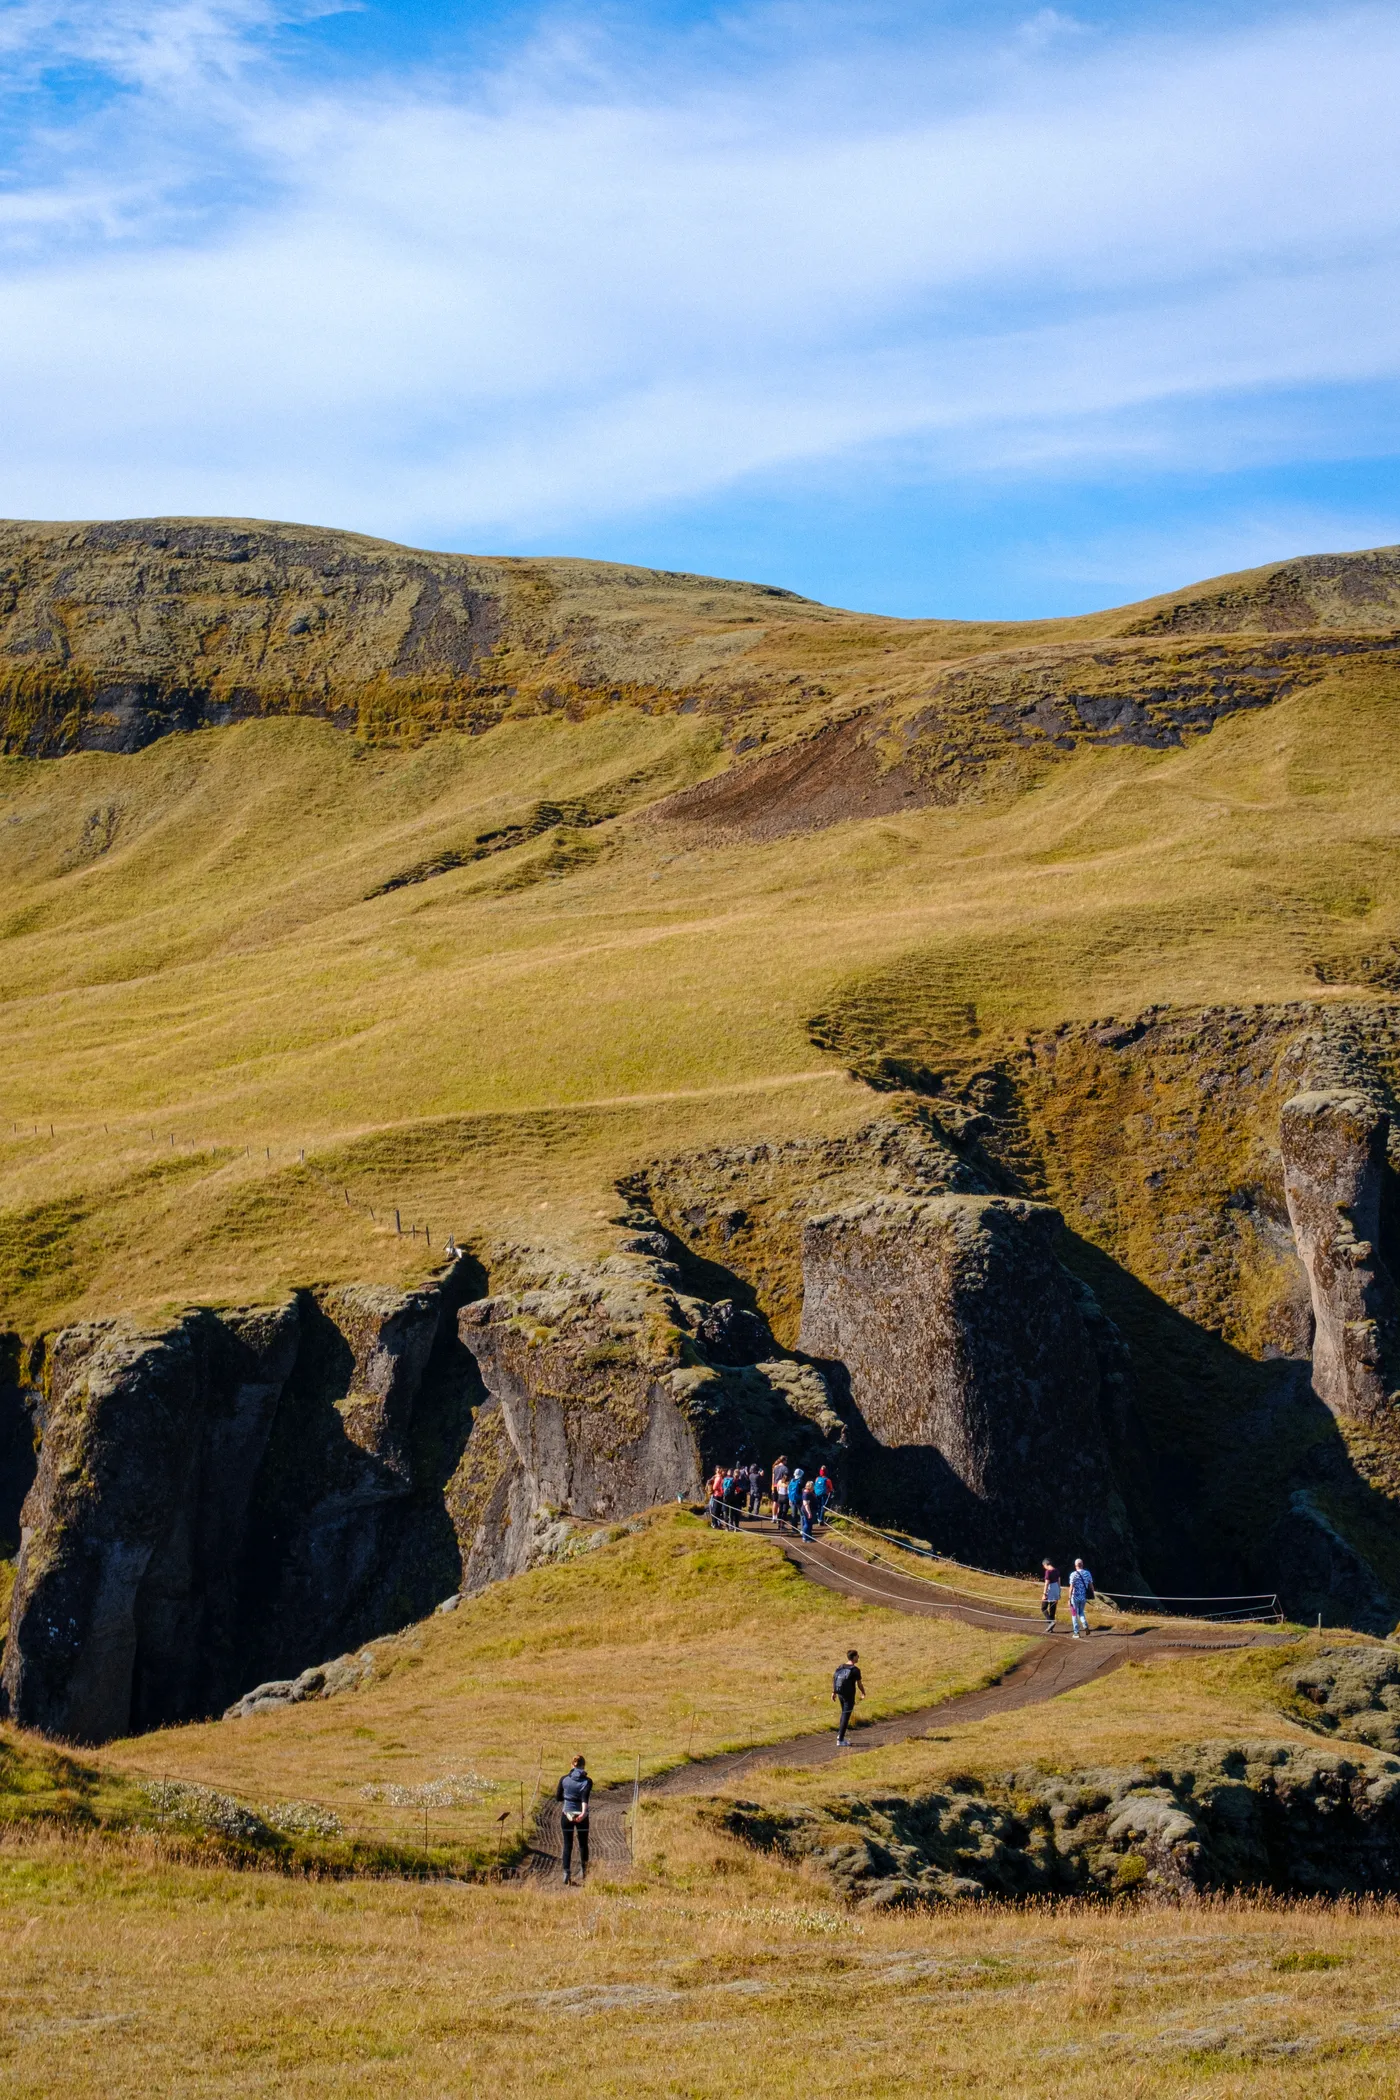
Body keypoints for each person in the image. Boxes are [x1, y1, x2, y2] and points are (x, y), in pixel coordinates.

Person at [556, 1755, 592, 1884]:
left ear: (572, 1765)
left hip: (567, 1814)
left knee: (567, 1844)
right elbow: (585, 1798)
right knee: (583, 1844)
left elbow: (558, 1797)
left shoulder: (564, 1779)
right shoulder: (587, 1781)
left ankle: (566, 1872)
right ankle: (585, 1871)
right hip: (581, 1815)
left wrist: (568, 1797)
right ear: (583, 1766)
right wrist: (583, 1813)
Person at [832, 1649, 865, 1746]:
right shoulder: (855, 1670)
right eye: (857, 1656)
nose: (858, 1657)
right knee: (846, 1716)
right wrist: (863, 1692)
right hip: (849, 1696)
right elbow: (859, 1684)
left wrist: (834, 1692)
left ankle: (840, 1735)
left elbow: (835, 1678)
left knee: (843, 1714)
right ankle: (840, 1740)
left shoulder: (840, 1667)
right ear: (854, 1657)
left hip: (840, 1694)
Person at [1068, 1558, 1094, 1639]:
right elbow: (1091, 1585)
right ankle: (1085, 1625)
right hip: (1083, 1597)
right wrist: (1092, 1594)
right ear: (1082, 1565)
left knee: (1074, 1614)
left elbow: (1071, 1587)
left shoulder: (1073, 1574)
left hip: (1074, 1597)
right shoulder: (1087, 1573)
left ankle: (1076, 1632)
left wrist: (1069, 1598)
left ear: (1075, 1566)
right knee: (1081, 1612)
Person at [1040, 1561, 1062, 1631]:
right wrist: (1059, 1592)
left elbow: (1046, 1583)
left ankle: (1051, 1622)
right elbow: (1059, 1581)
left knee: (1043, 1608)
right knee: (1052, 1609)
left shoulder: (1048, 1572)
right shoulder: (1056, 1570)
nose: (1044, 1567)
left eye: (1044, 1566)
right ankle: (1051, 1629)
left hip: (1050, 1590)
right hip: (1056, 1589)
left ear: (1045, 1564)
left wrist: (1044, 1594)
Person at [771, 1456, 790, 1528]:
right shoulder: (785, 1468)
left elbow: (773, 1477)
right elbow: (786, 1477)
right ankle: (781, 1521)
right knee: (781, 1504)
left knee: (775, 1502)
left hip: (775, 1485)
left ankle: (774, 1517)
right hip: (782, 1485)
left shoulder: (775, 1467)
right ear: (784, 1460)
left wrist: (773, 1486)